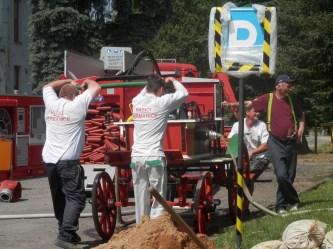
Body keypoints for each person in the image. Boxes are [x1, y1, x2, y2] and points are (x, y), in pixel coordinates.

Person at [42, 78, 101, 249]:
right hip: (68, 161)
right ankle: (65, 235)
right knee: (76, 198)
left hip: (50, 161)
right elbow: (96, 86)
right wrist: (85, 82)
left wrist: (68, 80)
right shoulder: (77, 106)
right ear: (75, 95)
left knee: (59, 198)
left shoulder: (51, 103)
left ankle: (66, 231)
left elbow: (47, 86)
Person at [130, 74, 188, 224]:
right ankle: (156, 227)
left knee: (139, 194)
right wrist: (173, 80)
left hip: (136, 158)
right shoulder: (161, 103)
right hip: (154, 156)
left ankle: (140, 227)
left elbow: (145, 91)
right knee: (158, 196)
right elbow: (184, 93)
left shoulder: (136, 102)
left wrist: (156, 81)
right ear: (161, 89)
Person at [247, 74, 305, 214]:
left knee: (290, 175)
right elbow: (251, 108)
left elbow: (301, 113)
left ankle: (280, 206)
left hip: (291, 142)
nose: (291, 86)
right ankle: (294, 200)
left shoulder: (292, 99)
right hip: (275, 141)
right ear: (279, 85)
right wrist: (246, 115)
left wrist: (301, 127)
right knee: (281, 175)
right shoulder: (268, 98)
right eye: (288, 83)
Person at [227, 105, 270, 177]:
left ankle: (242, 171)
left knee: (258, 163)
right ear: (247, 112)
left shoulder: (262, 125)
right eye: (255, 111)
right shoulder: (237, 125)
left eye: (259, 112)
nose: (258, 113)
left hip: (257, 158)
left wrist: (252, 152)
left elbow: (266, 145)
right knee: (230, 166)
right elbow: (230, 142)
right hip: (242, 158)